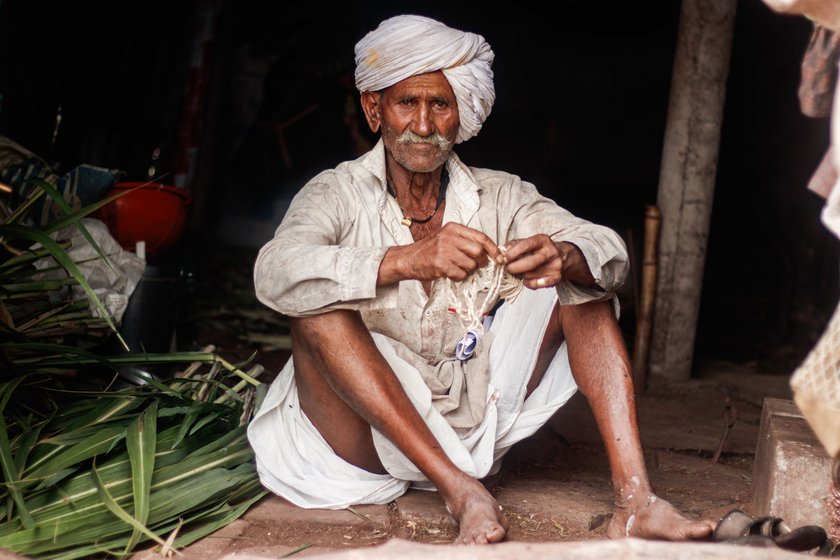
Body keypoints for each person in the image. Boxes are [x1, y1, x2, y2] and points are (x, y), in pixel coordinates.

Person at [247, 14, 716, 545]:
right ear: (374, 110)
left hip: (472, 420)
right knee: (316, 310)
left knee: (582, 283)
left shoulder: (502, 197)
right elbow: (274, 271)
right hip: (360, 442)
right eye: (407, 103)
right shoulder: (336, 192)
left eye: (440, 105)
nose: (422, 125)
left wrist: (564, 255)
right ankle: (462, 492)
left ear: (460, 115)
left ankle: (636, 501)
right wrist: (406, 259)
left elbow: (609, 252)